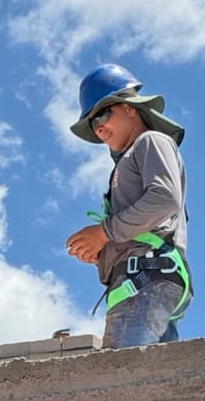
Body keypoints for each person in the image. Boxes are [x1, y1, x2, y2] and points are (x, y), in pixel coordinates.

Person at [66, 63, 192, 348]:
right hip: (144, 281)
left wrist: (104, 232)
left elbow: (165, 198)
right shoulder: (134, 157)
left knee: (122, 383)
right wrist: (104, 253)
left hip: (145, 283)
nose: (99, 127)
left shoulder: (151, 141)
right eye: (92, 124)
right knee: (154, 386)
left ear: (130, 108)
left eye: (103, 114)